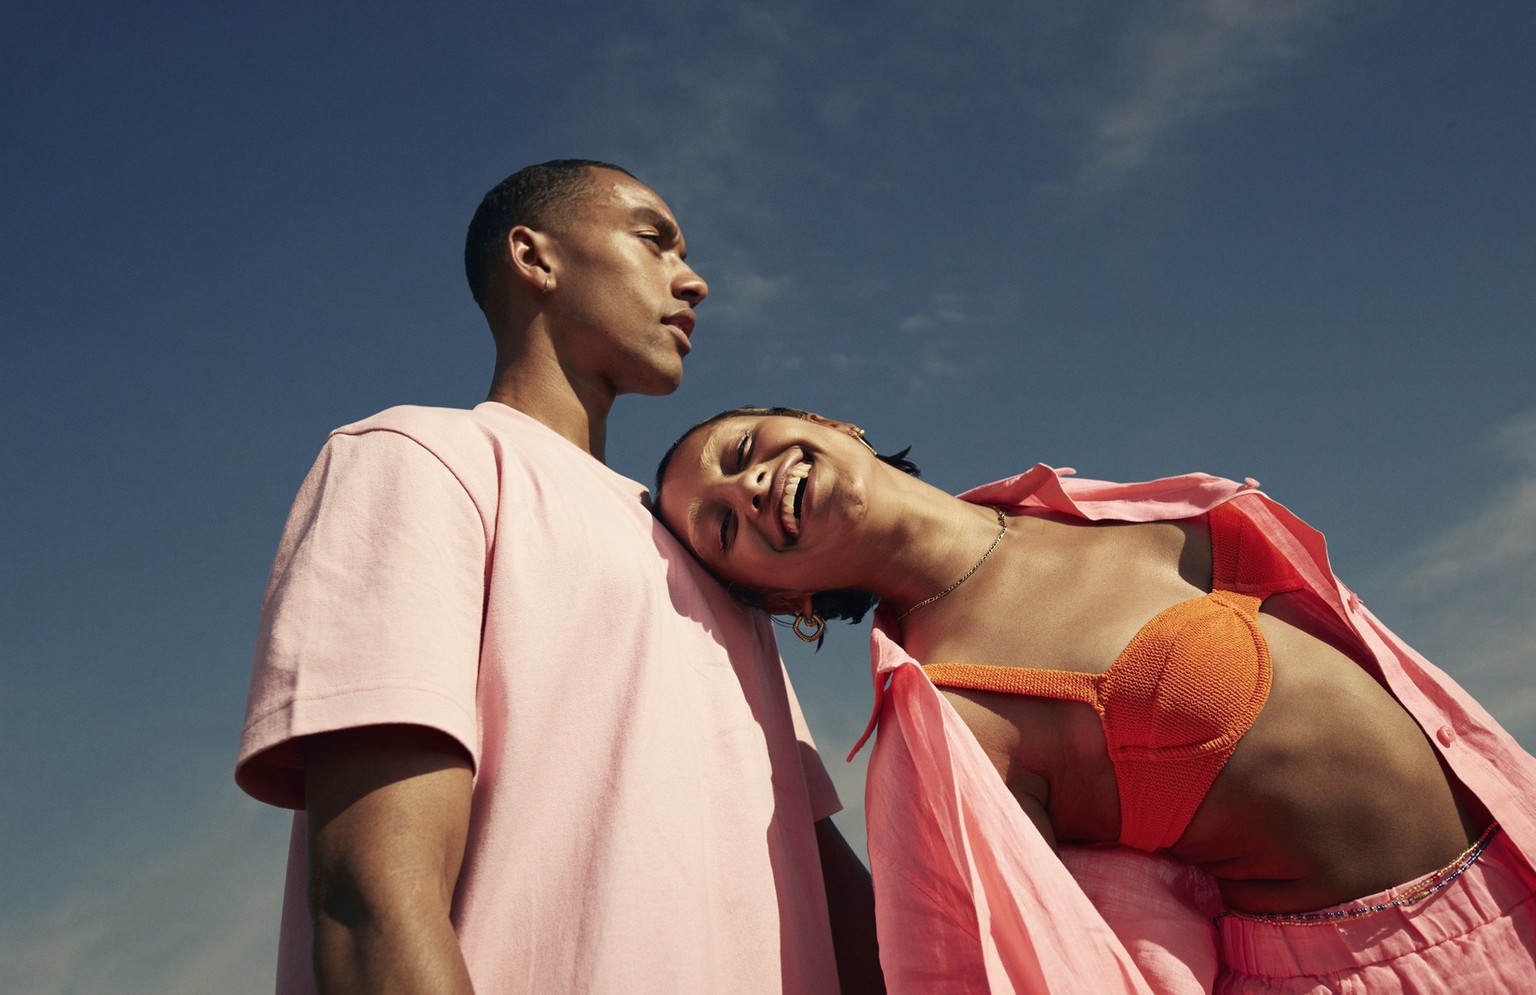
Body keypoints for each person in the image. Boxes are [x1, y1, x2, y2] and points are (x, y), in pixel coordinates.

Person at [236, 166, 881, 994]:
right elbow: (372, 902)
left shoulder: (710, 551)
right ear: (534, 258)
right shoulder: (424, 460)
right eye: (656, 239)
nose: (695, 280)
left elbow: (816, 872)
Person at [653, 405, 1536, 994]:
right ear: (786, 602)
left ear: (821, 422)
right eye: (723, 526)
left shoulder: (1074, 504)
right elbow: (994, 962)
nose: (750, 487)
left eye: (738, 454)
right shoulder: (951, 718)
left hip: (1517, 849)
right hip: (1386, 971)